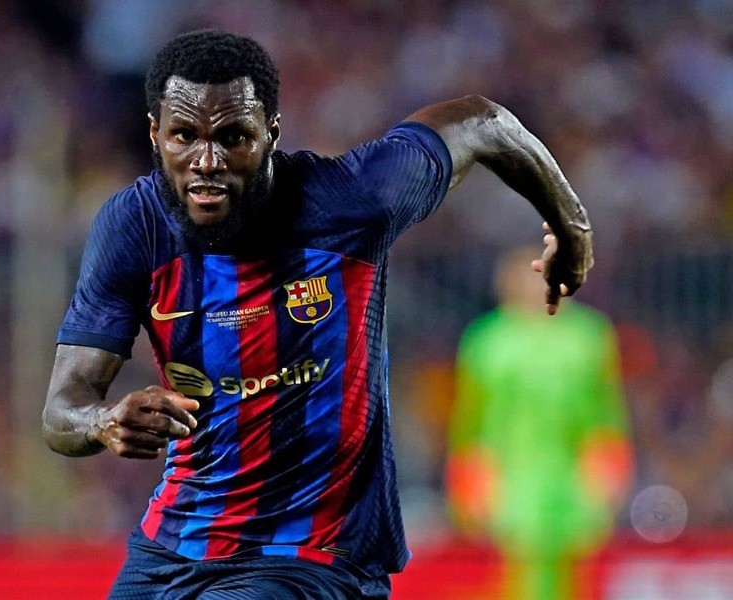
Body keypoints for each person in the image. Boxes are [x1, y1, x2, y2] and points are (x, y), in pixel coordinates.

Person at [43, 29, 594, 599]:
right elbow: (62, 410)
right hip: (172, 546)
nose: (207, 162)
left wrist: (571, 224)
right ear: (155, 134)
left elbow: (481, 122)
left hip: (313, 556)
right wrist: (101, 422)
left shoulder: (350, 203)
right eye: (184, 137)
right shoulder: (132, 229)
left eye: (233, 137)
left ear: (271, 133)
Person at [447, 247, 632, 600]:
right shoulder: (487, 342)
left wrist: (610, 472)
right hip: (509, 477)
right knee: (516, 572)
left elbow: (606, 415)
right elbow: (470, 423)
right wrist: (468, 480)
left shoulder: (588, 337)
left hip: (572, 477)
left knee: (576, 573)